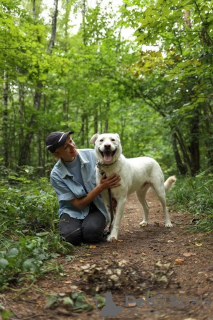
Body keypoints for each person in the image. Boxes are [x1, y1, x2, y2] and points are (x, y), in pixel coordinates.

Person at [45, 130, 121, 246]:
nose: (72, 146)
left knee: (91, 234)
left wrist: (113, 200)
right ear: (57, 154)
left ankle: (91, 227)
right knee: (70, 237)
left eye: (71, 141)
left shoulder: (93, 155)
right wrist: (100, 187)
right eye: (66, 147)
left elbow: (112, 178)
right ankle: (79, 227)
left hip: (98, 206)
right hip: (73, 210)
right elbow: (79, 204)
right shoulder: (56, 175)